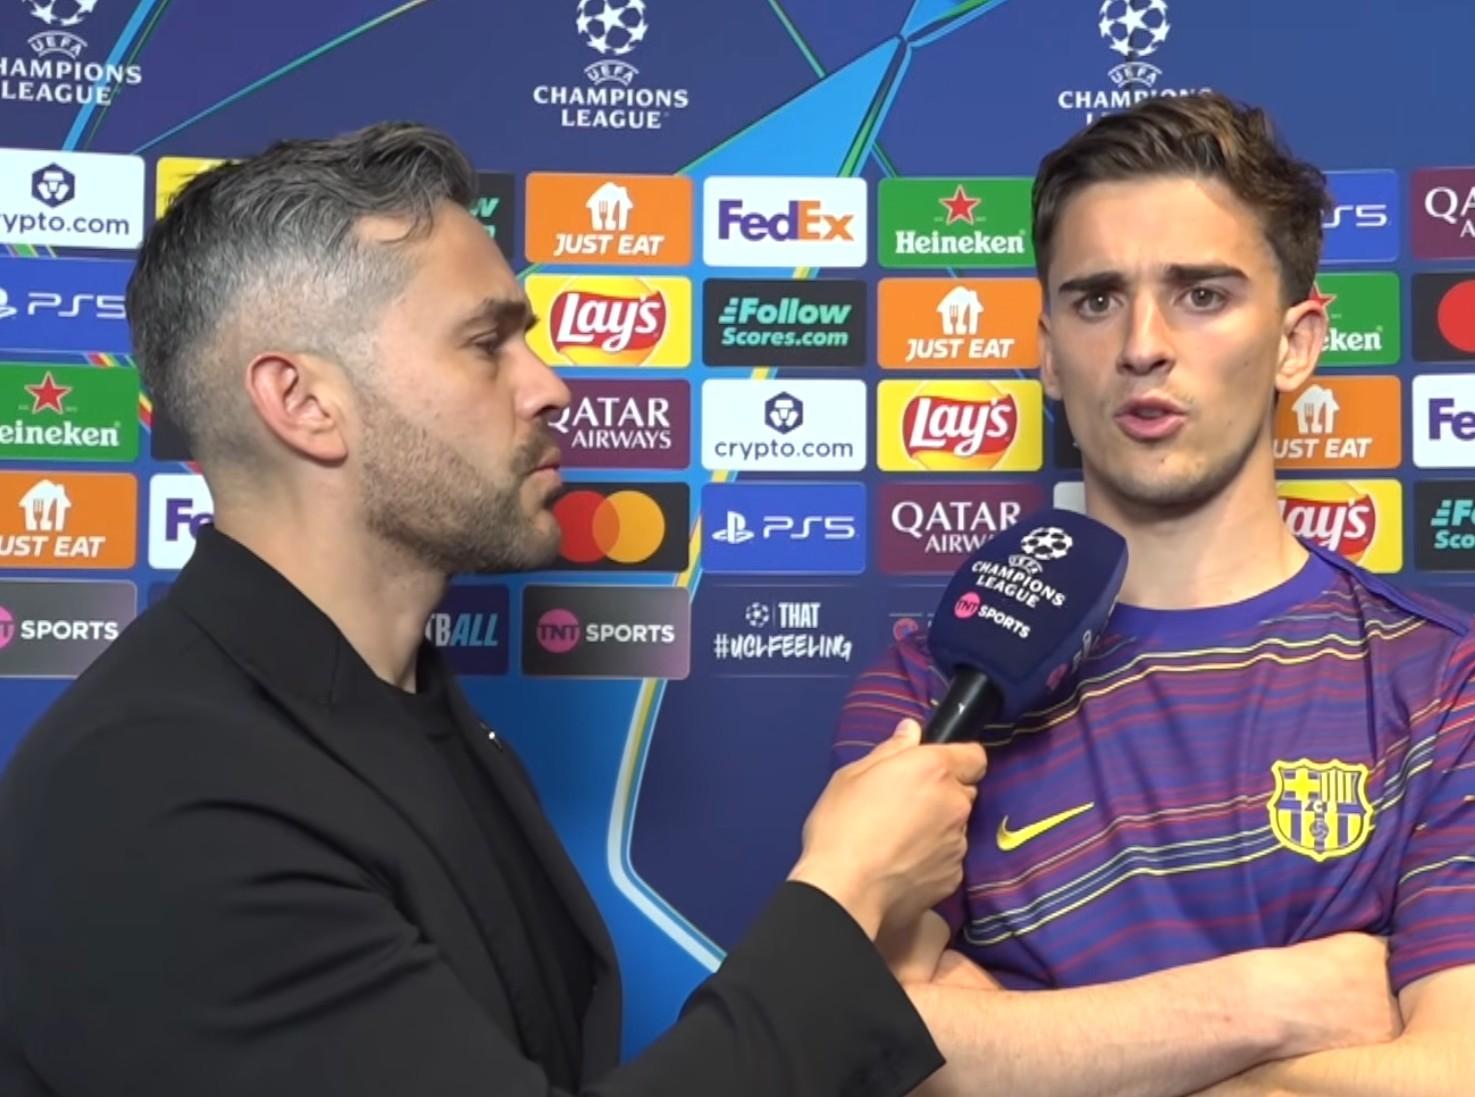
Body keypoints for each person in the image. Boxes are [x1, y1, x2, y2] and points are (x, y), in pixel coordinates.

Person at [0, 122, 989, 1097]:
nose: (550, 387)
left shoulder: (415, 715)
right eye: (487, 343)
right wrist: (848, 890)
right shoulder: (158, 792)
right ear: (302, 402)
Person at [833, 91, 1475, 1097]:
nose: (1142, 343)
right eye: (1096, 298)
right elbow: (865, 1050)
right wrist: (1268, 1003)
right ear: (1048, 353)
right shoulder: (937, 685)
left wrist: (1025, 1047)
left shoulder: (1456, 684)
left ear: (1295, 343)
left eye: (1200, 294)